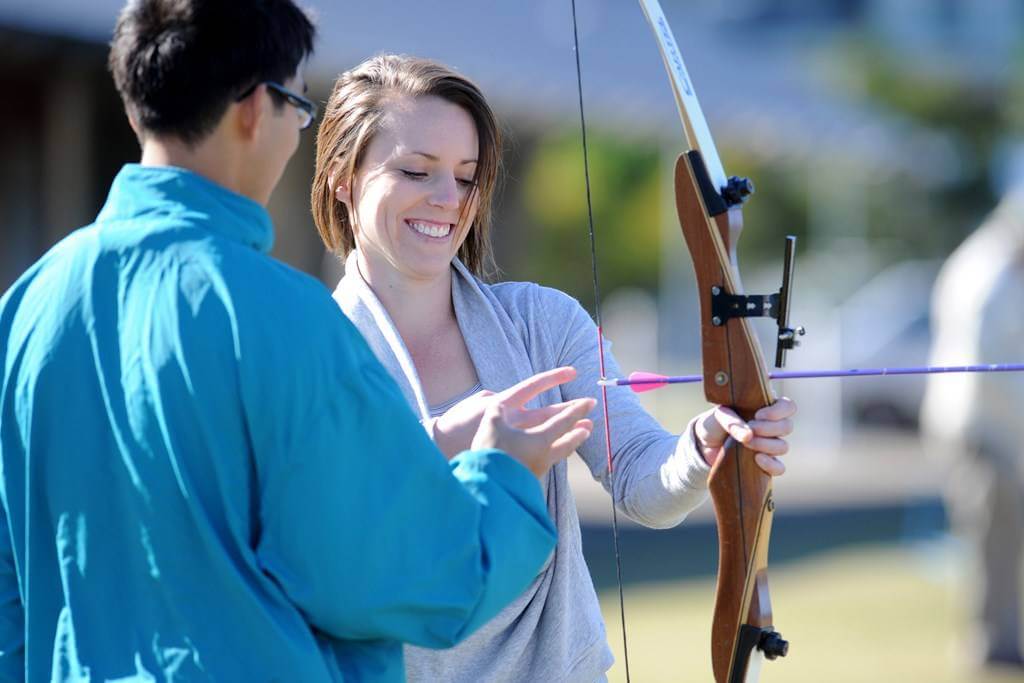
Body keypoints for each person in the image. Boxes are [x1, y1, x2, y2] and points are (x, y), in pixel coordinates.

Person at [0, 3, 600, 681]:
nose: (296, 132)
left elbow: (11, 598)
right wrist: (505, 471)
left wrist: (425, 444)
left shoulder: (26, 308)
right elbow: (406, 578)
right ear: (259, 108)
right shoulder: (286, 317)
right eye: (298, 106)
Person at [311, 54, 797, 682]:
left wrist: (708, 444)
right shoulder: (305, 353)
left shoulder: (544, 323)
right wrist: (443, 443)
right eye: (415, 170)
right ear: (342, 179)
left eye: (467, 176)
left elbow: (643, 484)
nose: (448, 200)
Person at [922, 188, 1024, 672]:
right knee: (992, 538)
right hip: (983, 428)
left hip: (980, 424)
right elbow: (992, 369)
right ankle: (992, 646)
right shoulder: (993, 271)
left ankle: (1000, 639)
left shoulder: (988, 261)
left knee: (1000, 539)